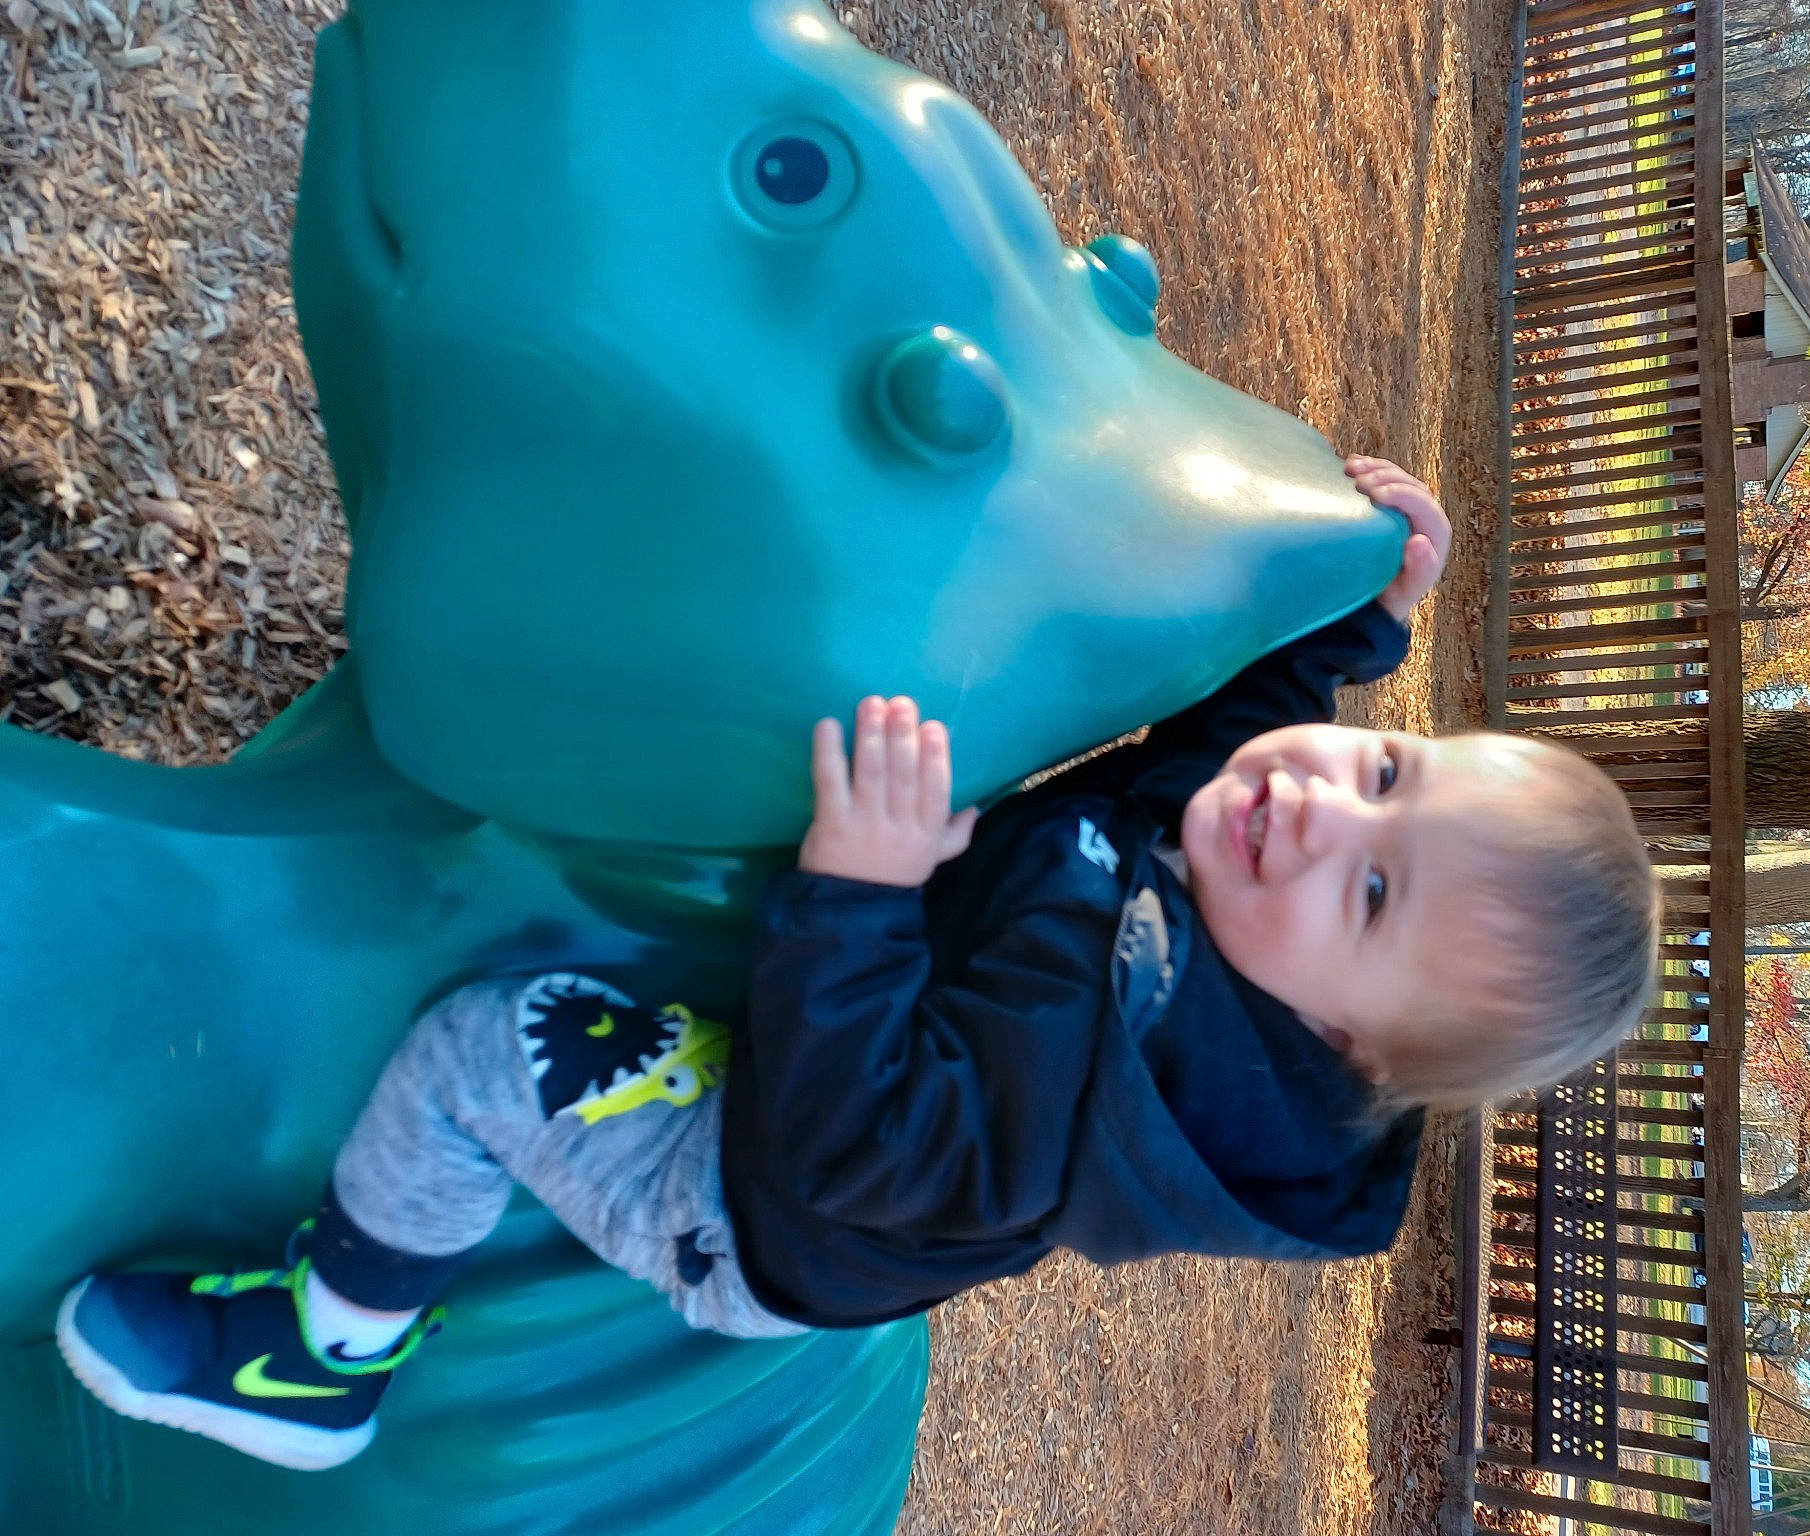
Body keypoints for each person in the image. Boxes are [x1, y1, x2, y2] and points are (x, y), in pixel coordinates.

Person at [54, 456, 1661, 1471]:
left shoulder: (1107, 1088)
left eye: (1374, 891)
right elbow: (1233, 736)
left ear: (1343, 1045)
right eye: (1391, 770)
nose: (1317, 805)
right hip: (869, 1049)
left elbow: (852, 1132)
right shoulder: (1255, 882)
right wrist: (1360, 619)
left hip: (763, 1193)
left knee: (488, 1048)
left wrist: (859, 892)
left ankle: (319, 1355)